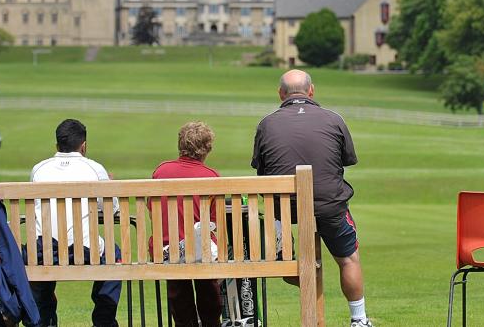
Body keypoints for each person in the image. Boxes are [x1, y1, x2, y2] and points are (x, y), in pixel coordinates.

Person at [252, 70, 373, 327]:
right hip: (329, 206)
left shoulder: (267, 123)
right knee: (349, 259)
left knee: (283, 246)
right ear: (311, 91)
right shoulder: (334, 119)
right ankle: (359, 319)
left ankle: (297, 266)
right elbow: (346, 161)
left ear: (280, 94)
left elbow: (261, 170)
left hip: (284, 209)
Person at [28, 119, 121, 327]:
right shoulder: (95, 169)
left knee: (35, 254)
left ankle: (44, 320)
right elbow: (112, 209)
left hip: (44, 253)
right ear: (83, 145)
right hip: (85, 250)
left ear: (57, 146)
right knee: (115, 255)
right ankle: (104, 321)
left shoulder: (38, 170)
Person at [152, 122, 222, 327]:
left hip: (166, 251)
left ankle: (185, 323)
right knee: (205, 255)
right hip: (201, 254)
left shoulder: (161, 171)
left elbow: (153, 211)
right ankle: (211, 322)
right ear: (207, 148)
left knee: (177, 268)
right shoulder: (211, 176)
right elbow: (215, 222)